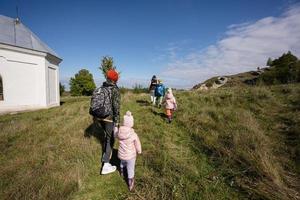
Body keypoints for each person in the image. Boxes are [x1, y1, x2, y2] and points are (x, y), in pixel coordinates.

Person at [94, 69, 121, 175]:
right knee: (110, 139)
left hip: (99, 117)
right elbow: (116, 107)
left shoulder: (101, 87)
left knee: (106, 136)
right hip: (109, 118)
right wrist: (117, 122)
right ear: (115, 79)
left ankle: (105, 155)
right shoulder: (114, 89)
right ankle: (106, 164)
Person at [116, 111, 142, 191]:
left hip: (121, 155)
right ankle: (130, 184)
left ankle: (122, 173)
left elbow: (114, 134)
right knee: (130, 169)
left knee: (122, 163)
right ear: (131, 123)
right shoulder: (133, 134)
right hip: (131, 156)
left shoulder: (119, 132)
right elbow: (137, 144)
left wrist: (115, 128)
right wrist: (139, 151)